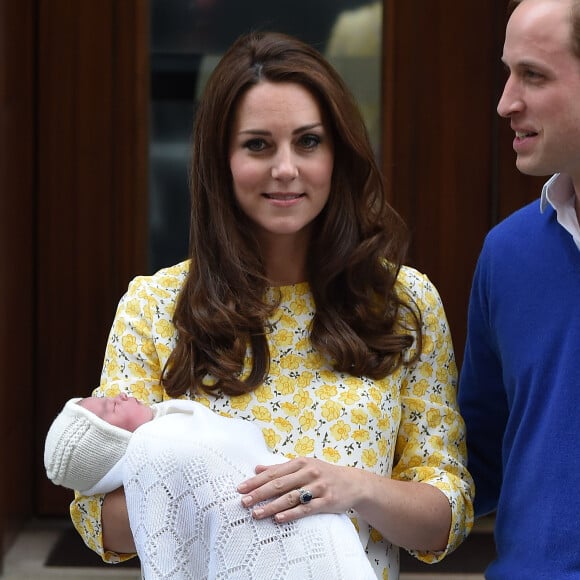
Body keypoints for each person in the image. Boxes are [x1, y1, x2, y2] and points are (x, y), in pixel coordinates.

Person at [71, 31, 473, 578]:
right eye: (258, 144)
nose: (286, 168)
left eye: (308, 141)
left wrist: (352, 487)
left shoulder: (404, 302)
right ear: (221, 159)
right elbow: (102, 523)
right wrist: (217, 485)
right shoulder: (156, 305)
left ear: (339, 153)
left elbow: (446, 519)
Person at [458, 0, 580, 577]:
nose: (506, 102)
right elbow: (475, 458)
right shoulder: (507, 254)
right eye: (509, 73)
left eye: (533, 74)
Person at [45, 393, 375, 579]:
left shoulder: (172, 430)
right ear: (111, 443)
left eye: (103, 398)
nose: (115, 396)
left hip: (315, 521)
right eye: (107, 410)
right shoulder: (160, 444)